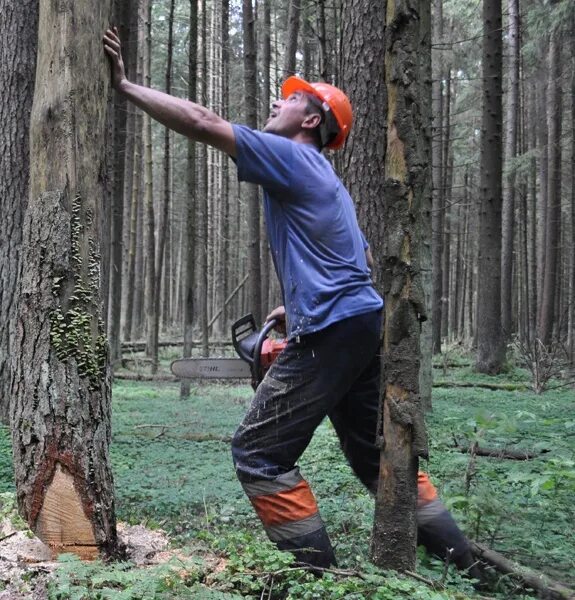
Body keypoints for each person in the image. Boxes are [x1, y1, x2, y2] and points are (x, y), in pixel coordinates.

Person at [103, 29, 478, 576]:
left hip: (333, 329)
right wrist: (295, 307)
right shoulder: (327, 177)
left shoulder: (292, 157)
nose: (278, 101)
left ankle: (316, 580)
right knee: (375, 458)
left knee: (257, 452)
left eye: (293, 97)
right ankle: (463, 565)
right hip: (358, 322)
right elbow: (362, 260)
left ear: (310, 121)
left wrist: (126, 86)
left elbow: (204, 123)